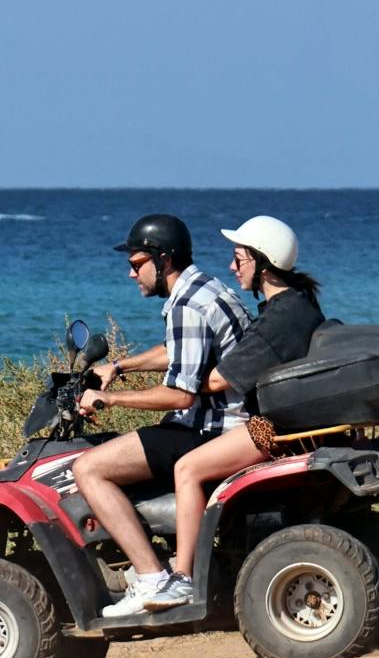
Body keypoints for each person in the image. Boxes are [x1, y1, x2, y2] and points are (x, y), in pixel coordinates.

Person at [71, 213, 252, 617]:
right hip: (229, 421)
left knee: (89, 468)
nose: (131, 274)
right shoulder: (205, 288)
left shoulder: (187, 304)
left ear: (163, 260)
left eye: (136, 265)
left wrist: (110, 400)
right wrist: (118, 368)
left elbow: (180, 396)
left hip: (211, 429)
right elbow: (181, 353)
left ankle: (152, 577)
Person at [161, 217, 325, 591]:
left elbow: (218, 380)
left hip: (273, 428)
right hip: (290, 418)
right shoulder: (295, 303)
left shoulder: (278, 319)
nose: (232, 267)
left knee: (187, 469)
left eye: (239, 259)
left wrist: (178, 381)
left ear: (263, 264)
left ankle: (182, 578)